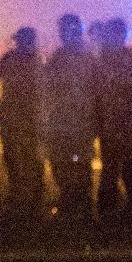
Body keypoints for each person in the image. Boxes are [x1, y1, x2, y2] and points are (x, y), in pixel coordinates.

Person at [43, 14, 100, 220]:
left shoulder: (89, 56)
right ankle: (68, 196)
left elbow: (97, 88)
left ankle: (81, 200)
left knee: (81, 161)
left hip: (82, 118)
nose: (68, 33)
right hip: (60, 118)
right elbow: (47, 84)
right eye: (64, 30)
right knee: (60, 161)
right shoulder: (57, 56)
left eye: (72, 29)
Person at [95, 18, 132, 214]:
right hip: (112, 120)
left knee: (126, 163)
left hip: (123, 119)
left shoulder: (127, 56)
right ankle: (111, 201)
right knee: (113, 163)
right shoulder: (104, 57)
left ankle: (124, 200)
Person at [0, 27, 44, 210]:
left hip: (24, 114)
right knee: (16, 154)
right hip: (17, 113)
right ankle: (26, 192)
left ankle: (30, 193)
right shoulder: (29, 58)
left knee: (27, 154)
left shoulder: (23, 58)